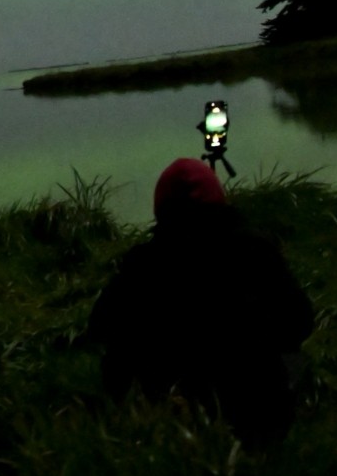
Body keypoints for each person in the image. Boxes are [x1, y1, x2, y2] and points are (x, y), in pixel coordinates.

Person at [87, 158, 315, 444]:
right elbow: (302, 321)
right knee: (291, 358)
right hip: (253, 409)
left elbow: (98, 328)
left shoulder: (144, 262)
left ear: (161, 209)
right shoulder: (256, 250)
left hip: (169, 409)